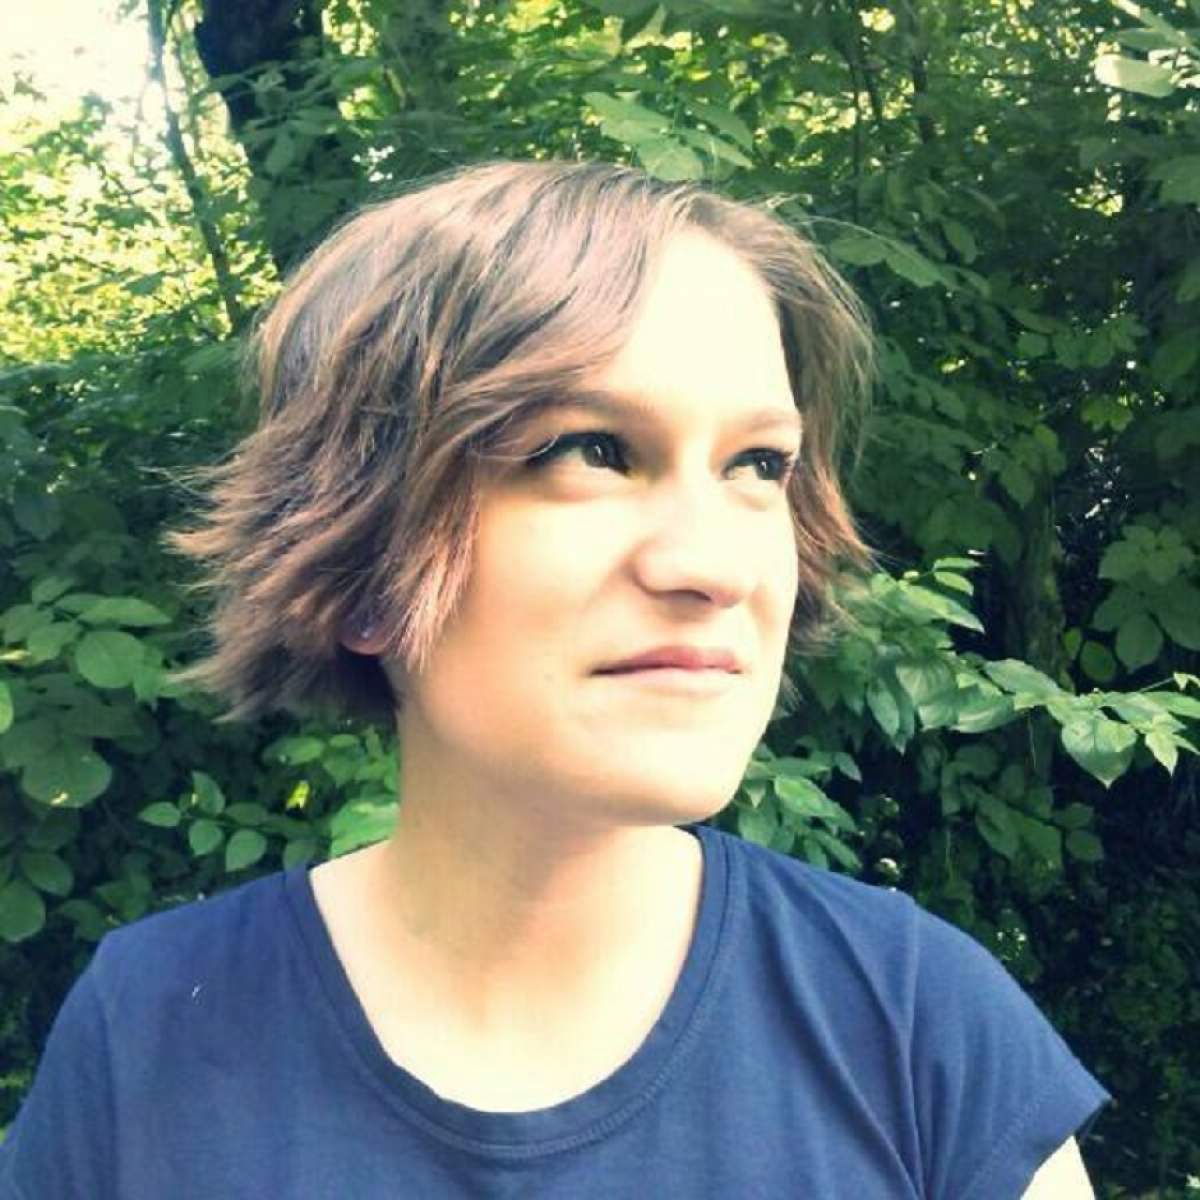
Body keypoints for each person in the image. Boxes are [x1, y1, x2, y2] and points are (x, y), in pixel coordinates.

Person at [0, 158, 1108, 1198]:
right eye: (591, 450)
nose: (716, 566)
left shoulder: (918, 1028)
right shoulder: (148, 1031)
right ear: (360, 562)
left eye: (759, 465)